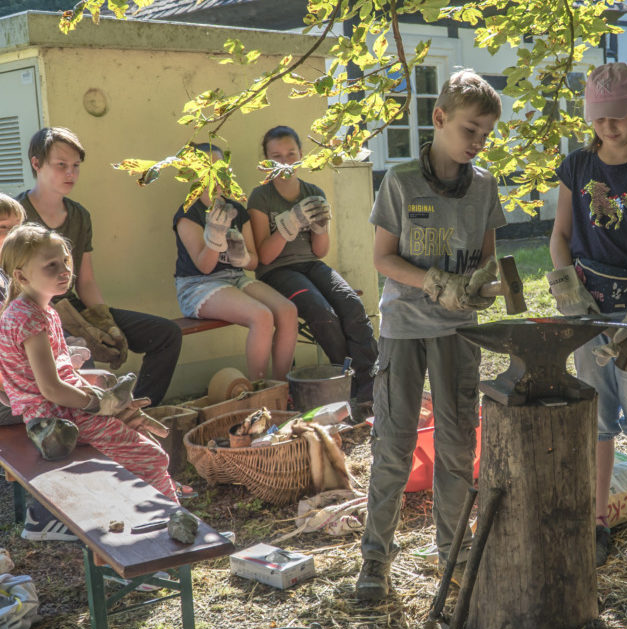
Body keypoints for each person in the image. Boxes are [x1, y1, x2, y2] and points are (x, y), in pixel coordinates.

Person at [356, 69, 504, 601]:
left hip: (460, 333)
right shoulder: (401, 182)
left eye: (485, 134)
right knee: (393, 444)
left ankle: (454, 553)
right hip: (403, 329)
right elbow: (382, 258)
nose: (476, 142)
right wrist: (433, 282)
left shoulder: (484, 186)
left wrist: (484, 287)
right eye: (469, 129)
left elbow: (487, 260)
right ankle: (375, 557)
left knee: (458, 445)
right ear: (439, 118)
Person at [547, 62, 627, 568]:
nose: (608, 128)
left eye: (617, 118)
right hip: (588, 308)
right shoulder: (577, 166)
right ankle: (597, 519)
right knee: (598, 418)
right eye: (599, 120)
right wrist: (567, 287)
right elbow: (560, 236)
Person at [0, 223, 178, 504]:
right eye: (51, 265)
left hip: (63, 409)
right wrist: (99, 403)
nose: (64, 271)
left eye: (65, 261)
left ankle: (162, 510)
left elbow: (62, 373)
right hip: (58, 418)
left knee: (141, 437)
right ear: (21, 276)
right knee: (153, 458)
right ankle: (170, 524)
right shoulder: (28, 318)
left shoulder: (39, 310)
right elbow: (50, 389)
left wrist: (110, 402)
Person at [17, 127, 182, 406]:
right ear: (36, 163)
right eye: (61, 165)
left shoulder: (80, 215)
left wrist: (105, 321)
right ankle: (93, 428)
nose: (71, 173)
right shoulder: (16, 214)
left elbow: (86, 281)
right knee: (83, 353)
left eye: (76, 166)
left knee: (166, 335)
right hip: (35, 316)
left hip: (76, 309)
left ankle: (137, 411)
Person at [248, 126, 378, 420]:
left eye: (290, 155)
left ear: (301, 155)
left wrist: (320, 227)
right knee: (322, 313)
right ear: (266, 161)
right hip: (276, 272)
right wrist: (289, 224)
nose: (284, 162)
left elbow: (320, 251)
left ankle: (372, 384)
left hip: (311, 265)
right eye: (276, 157)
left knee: (351, 304)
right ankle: (351, 385)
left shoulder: (313, 193)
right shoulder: (260, 197)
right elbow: (263, 258)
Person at [173, 143, 297, 382]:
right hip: (199, 285)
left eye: (220, 167)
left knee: (287, 311)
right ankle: (260, 391)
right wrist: (215, 238)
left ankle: (283, 388)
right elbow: (205, 267)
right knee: (262, 317)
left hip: (235, 278)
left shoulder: (237, 210)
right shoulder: (188, 214)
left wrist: (242, 257)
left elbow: (253, 262)